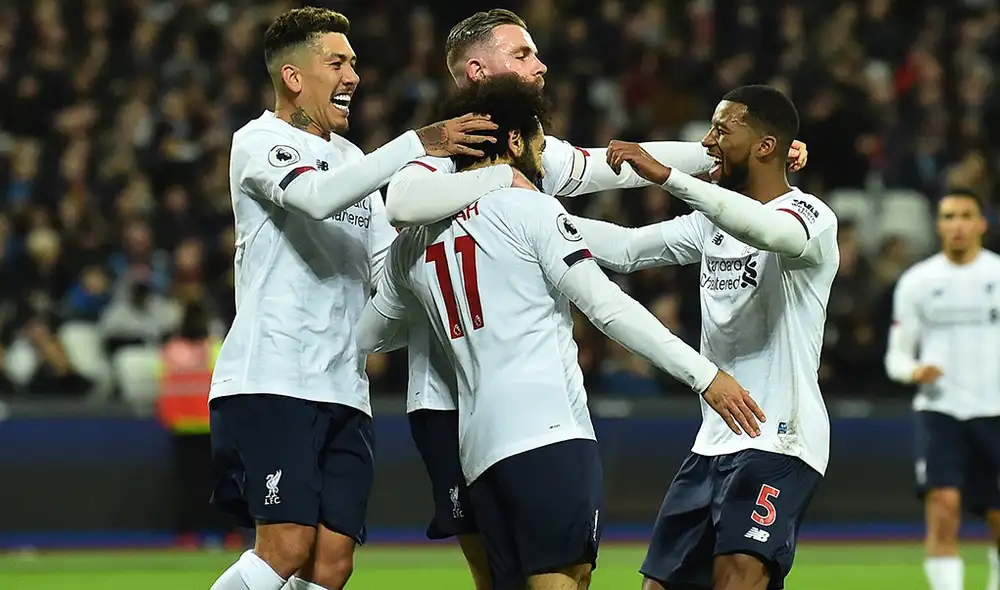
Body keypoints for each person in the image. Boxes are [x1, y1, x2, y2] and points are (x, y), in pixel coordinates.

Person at [375, 10, 810, 587]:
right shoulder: (451, 157)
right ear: (477, 71)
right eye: (524, 54)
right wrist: (504, 180)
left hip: (483, 415)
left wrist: (731, 153)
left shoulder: (514, 161)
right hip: (481, 409)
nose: (541, 64)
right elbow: (402, 202)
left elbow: (614, 165)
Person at [206, 7, 497, 590]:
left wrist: (472, 210)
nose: (353, 76)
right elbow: (314, 198)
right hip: (274, 376)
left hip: (344, 385)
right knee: (286, 545)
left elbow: (390, 270)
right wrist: (417, 143)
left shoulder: (354, 161)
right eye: (337, 62)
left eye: (354, 63)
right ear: (294, 77)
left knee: (332, 563)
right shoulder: (260, 141)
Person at [566, 85, 838, 590]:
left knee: (736, 576)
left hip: (780, 437)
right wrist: (540, 221)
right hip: (713, 441)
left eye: (722, 130)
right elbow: (626, 249)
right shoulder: (710, 225)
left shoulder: (811, 218)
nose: (708, 142)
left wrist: (668, 177)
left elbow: (768, 232)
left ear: (765, 146)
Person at [885, 190, 1000, 590]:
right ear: (938, 225)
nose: (958, 224)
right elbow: (895, 359)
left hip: (995, 410)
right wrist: (915, 371)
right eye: (949, 216)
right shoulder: (918, 281)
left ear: (982, 223)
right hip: (940, 411)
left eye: (966, 215)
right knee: (943, 506)